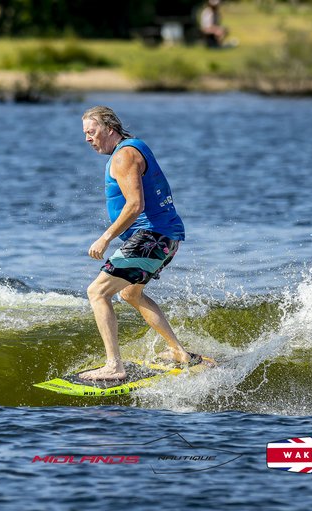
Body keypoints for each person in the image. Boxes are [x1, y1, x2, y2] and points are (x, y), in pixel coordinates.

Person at [80, 106, 193, 381]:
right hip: (165, 237)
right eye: (84, 133)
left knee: (97, 292)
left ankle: (113, 366)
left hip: (152, 236)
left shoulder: (124, 156)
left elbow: (135, 205)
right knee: (130, 293)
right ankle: (178, 351)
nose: (87, 138)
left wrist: (105, 237)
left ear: (109, 128)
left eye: (91, 131)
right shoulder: (134, 147)